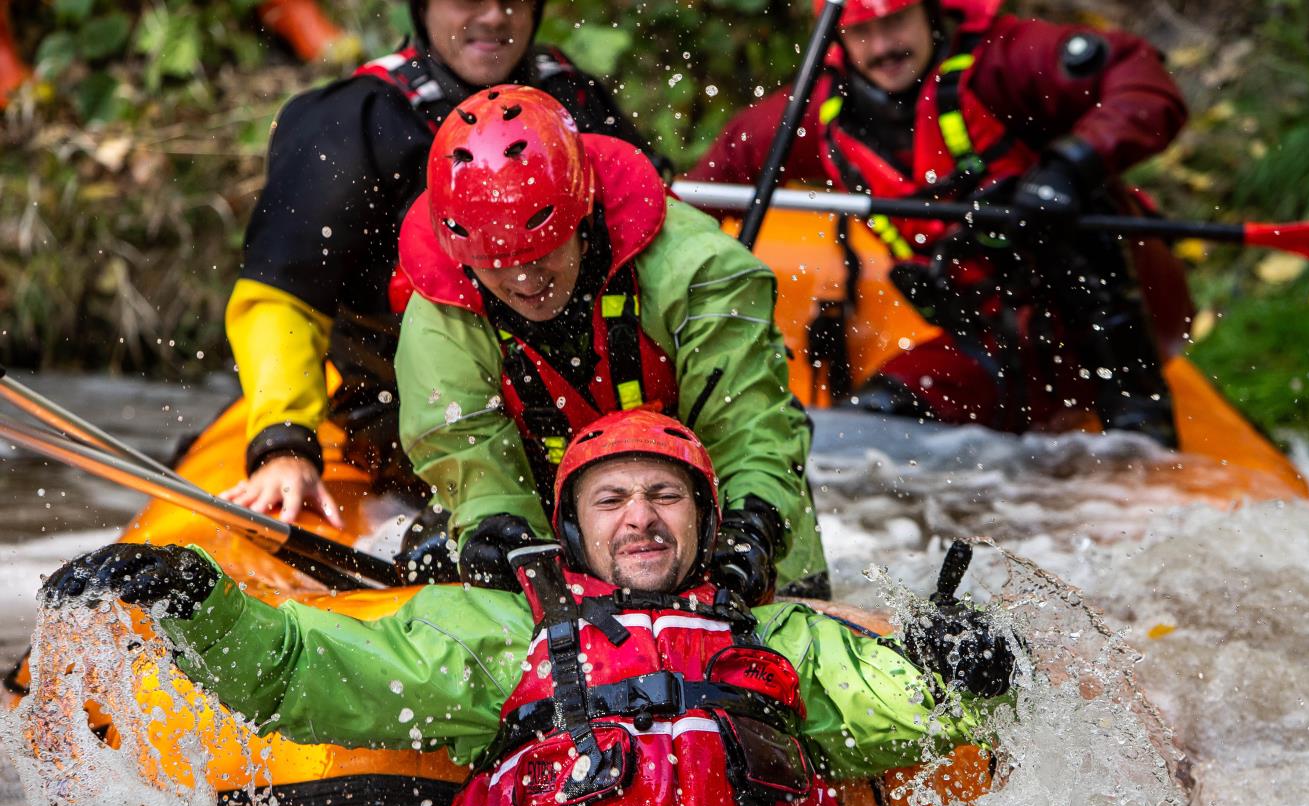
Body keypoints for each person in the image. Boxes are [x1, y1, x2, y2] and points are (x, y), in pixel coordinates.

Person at [43, 410, 1015, 806]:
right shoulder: (497, 632)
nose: (640, 516)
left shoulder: (777, 638)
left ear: (706, 521)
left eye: (665, 496)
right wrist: (195, 594)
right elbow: (299, 671)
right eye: (612, 499)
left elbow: (901, 705)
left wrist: (962, 669)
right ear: (571, 530)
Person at [222, 0, 662, 532]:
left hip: (580, 417)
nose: (496, 17)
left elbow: (653, 249)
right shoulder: (354, 122)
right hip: (409, 430)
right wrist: (283, 442)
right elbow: (282, 293)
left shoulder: (576, 101)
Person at [393, 85, 829, 603]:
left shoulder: (701, 269)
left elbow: (750, 428)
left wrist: (748, 531)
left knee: (762, 587)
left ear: (583, 215)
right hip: (563, 524)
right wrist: (503, 541)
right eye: (497, 262)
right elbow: (465, 455)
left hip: (710, 513)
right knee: (446, 553)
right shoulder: (441, 315)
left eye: (543, 251)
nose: (525, 280)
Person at [687, 0, 1193, 444]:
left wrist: (1069, 165)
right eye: (863, 31)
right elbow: (704, 192)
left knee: (1084, 215)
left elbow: (1142, 80)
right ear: (838, 36)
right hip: (991, 345)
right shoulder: (816, 113)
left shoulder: (1004, 60)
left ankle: (1141, 428)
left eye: (897, 21)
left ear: (931, 9)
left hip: (1121, 322)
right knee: (870, 430)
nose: (883, 45)